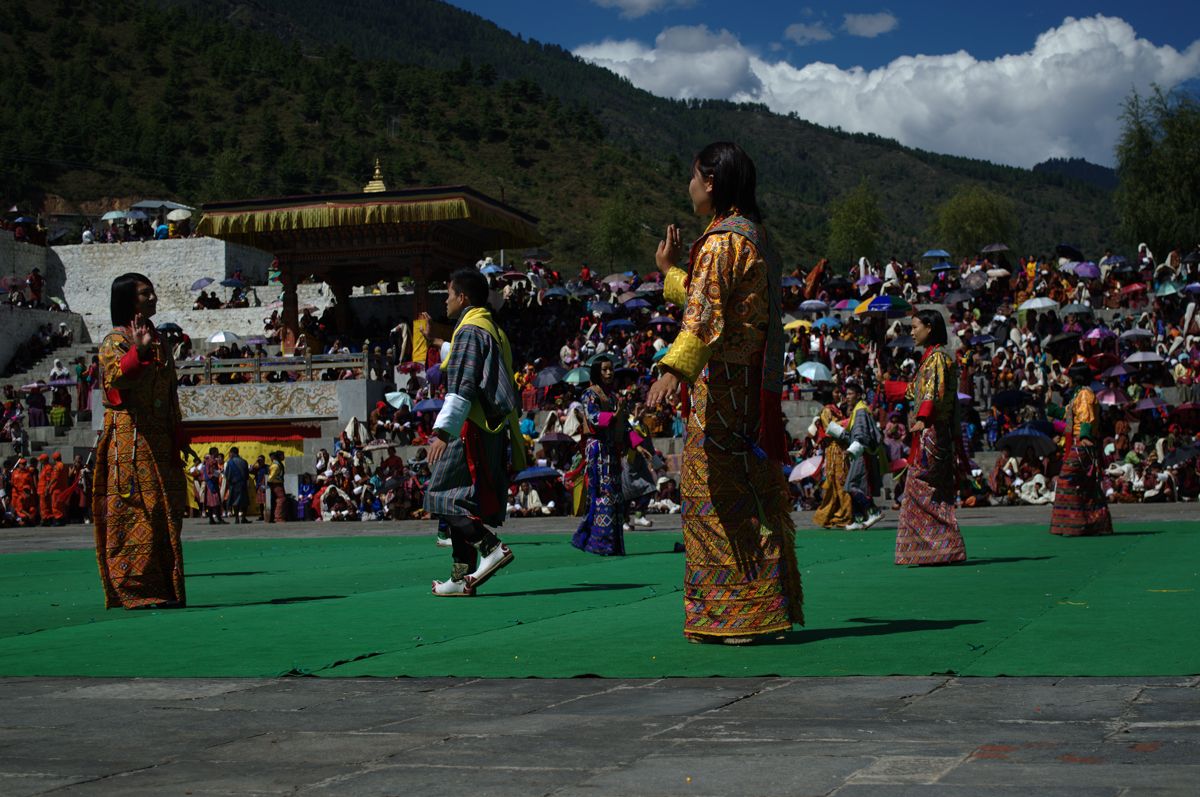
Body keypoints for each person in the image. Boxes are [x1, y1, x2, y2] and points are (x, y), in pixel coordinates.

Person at [646, 141, 803, 645]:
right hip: (745, 388)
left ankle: (739, 613)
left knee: (712, 494)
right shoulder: (749, 236)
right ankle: (753, 607)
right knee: (738, 492)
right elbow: (706, 295)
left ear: (711, 182)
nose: (688, 186)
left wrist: (675, 368)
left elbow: (705, 314)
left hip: (722, 390)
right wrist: (669, 271)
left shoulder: (720, 243)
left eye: (693, 176)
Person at [93, 273, 195, 609]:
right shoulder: (113, 342)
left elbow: (169, 391)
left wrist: (179, 434)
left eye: (152, 293)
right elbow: (116, 381)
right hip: (131, 437)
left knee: (168, 508)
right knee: (139, 510)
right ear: (128, 300)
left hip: (161, 437)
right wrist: (137, 350)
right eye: (144, 294)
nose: (152, 298)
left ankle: (164, 585)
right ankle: (134, 588)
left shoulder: (161, 340)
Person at [424, 269, 525, 596]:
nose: (446, 299)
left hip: (470, 425)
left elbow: (463, 384)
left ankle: (491, 547)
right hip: (490, 427)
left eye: (449, 293)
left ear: (462, 297)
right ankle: (459, 577)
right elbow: (459, 362)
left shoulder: (469, 330)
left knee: (442, 497)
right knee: (461, 500)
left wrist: (442, 432)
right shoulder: (490, 328)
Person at [895, 310, 967, 566]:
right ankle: (942, 547)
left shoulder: (936, 359)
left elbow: (931, 394)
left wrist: (923, 418)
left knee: (920, 489)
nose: (912, 332)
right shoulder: (930, 359)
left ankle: (944, 546)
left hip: (931, 434)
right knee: (928, 491)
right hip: (933, 432)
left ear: (929, 327)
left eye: (915, 327)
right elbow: (915, 391)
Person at [1049, 363, 1113, 536]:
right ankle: (1093, 523)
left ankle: (1075, 523)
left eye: (1069, 377)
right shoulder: (1077, 395)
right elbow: (1066, 414)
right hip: (1079, 441)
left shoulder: (1084, 394)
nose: (1067, 380)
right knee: (1086, 484)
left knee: (1067, 479)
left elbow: (1086, 418)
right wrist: (1049, 405)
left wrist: (1084, 437)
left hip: (1082, 443)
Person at [571, 358, 627, 555]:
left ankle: (613, 543)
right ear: (597, 372)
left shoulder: (612, 396)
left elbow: (623, 423)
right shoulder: (590, 394)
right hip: (598, 448)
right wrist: (614, 415)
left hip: (611, 448)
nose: (609, 373)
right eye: (605, 370)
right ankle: (599, 543)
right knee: (603, 493)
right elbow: (593, 417)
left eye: (611, 369)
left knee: (615, 494)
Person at [841, 381, 885, 529]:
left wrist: (850, 450)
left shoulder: (860, 411)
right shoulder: (859, 410)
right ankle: (858, 519)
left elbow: (861, 435)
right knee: (855, 485)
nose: (847, 397)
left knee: (852, 485)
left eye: (850, 394)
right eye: (846, 394)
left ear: (859, 395)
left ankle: (874, 511)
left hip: (861, 453)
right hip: (859, 452)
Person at [811, 387, 853, 528]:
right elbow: (829, 428)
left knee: (839, 482)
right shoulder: (827, 410)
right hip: (835, 450)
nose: (839, 394)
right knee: (840, 481)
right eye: (836, 392)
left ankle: (834, 515)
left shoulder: (837, 409)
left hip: (840, 448)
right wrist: (847, 422)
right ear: (829, 394)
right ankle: (843, 515)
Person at [224, 446, 251, 524]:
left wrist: (229, 482)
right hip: (242, 484)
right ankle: (243, 518)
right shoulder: (244, 461)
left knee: (235, 502)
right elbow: (247, 474)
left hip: (234, 484)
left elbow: (227, 475)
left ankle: (236, 518)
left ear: (232, 453)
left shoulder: (230, 462)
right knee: (244, 502)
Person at [266, 450, 286, 523]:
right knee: (281, 499)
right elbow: (271, 477)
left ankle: (276, 517)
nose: (284, 457)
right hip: (276, 484)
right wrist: (269, 483)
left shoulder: (277, 464)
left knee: (278, 500)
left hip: (278, 483)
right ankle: (278, 517)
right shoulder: (276, 465)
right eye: (282, 455)